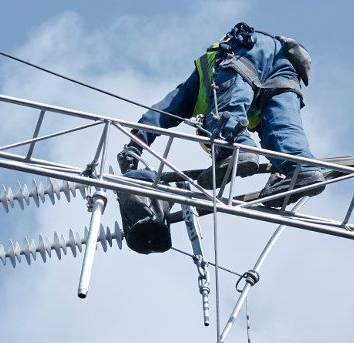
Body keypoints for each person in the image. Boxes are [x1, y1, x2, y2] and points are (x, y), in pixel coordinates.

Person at [120, 22, 319, 210]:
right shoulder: (253, 115)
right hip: (285, 65)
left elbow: (159, 114)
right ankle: (302, 169)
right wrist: (279, 171)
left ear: (202, 125)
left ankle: (234, 149)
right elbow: (278, 136)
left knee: (226, 111)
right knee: (284, 127)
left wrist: (132, 148)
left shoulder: (196, 89)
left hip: (242, 53)